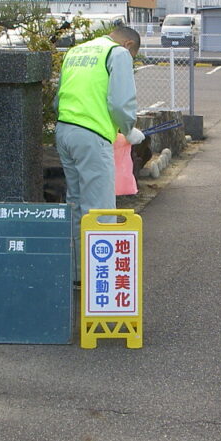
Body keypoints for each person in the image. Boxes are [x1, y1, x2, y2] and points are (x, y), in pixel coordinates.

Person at [55, 26, 145, 277]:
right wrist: (128, 130)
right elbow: (120, 102)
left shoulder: (75, 51)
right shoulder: (117, 54)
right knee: (100, 209)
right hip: (92, 137)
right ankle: (99, 279)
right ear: (128, 45)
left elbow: (57, 98)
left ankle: (77, 273)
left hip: (64, 132)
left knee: (76, 204)